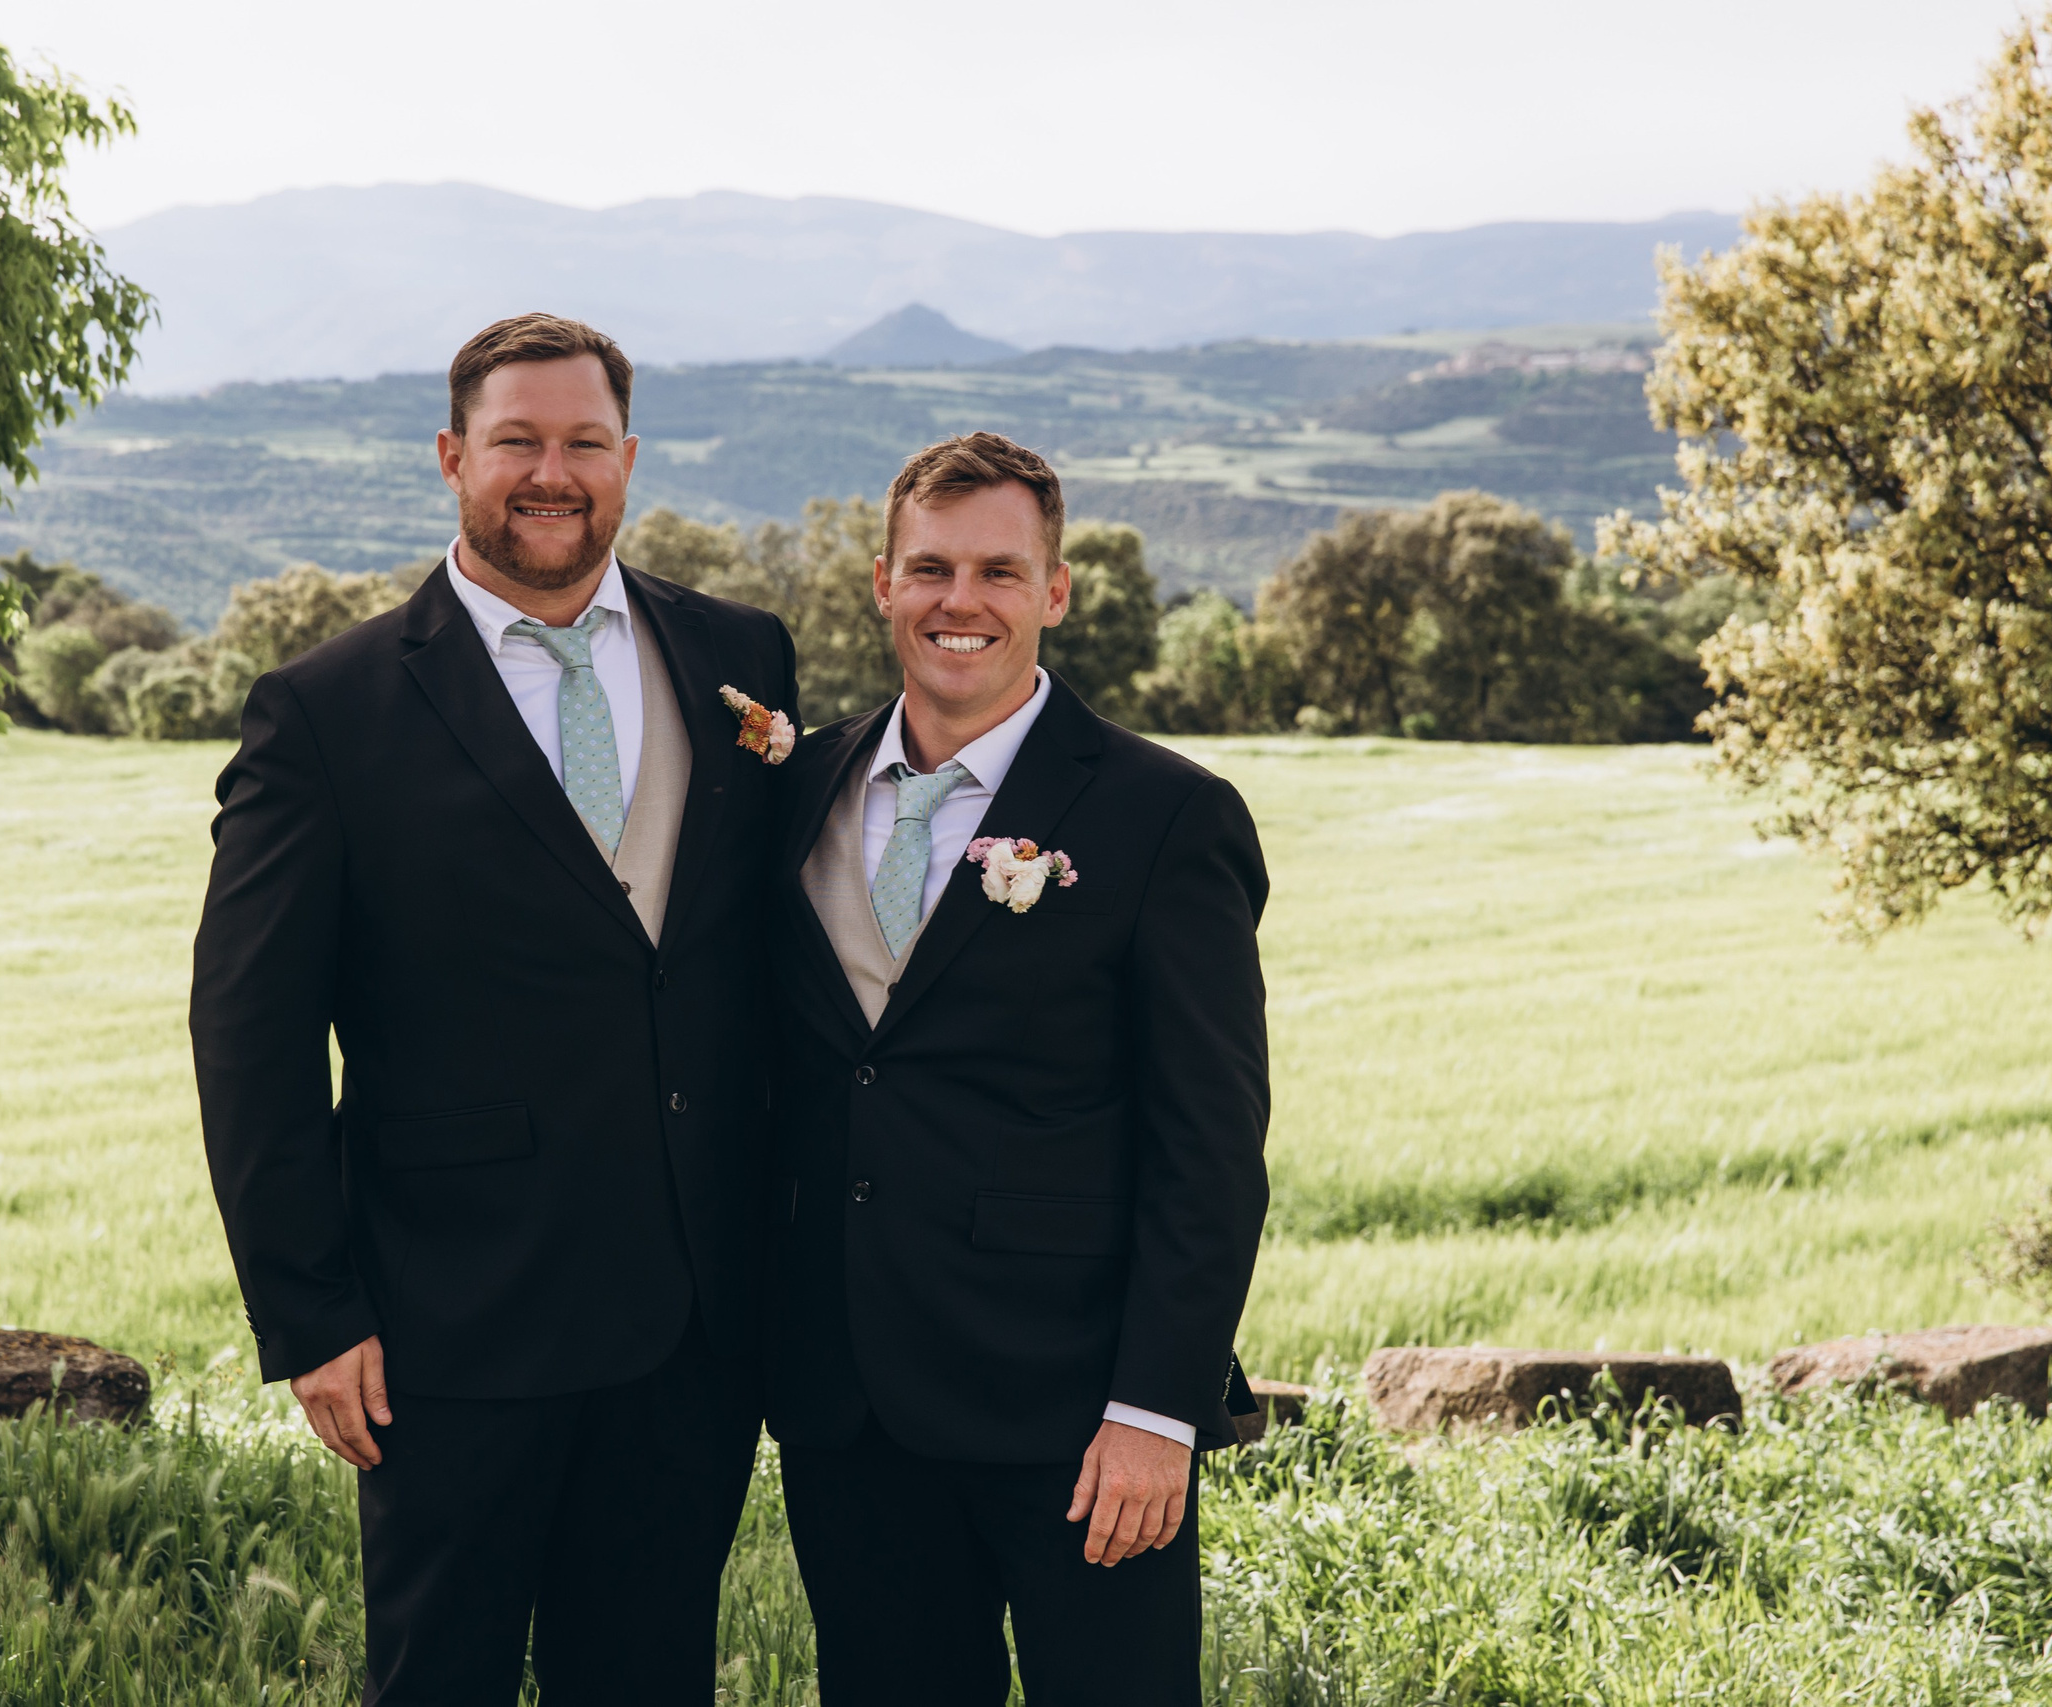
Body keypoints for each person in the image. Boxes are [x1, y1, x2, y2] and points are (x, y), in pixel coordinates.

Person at [189, 312, 799, 1705]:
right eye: (517, 440)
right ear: (453, 455)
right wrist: (310, 1309)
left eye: (584, 441)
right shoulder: (325, 711)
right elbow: (250, 1031)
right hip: (449, 1319)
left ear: (628, 458)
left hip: (695, 1318)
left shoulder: (740, 653)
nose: (552, 472)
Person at [763, 432, 1271, 1705]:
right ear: (882, 584)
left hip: (1079, 1414)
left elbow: (1209, 1147)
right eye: (931, 568)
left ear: (1055, 591)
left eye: (999, 570)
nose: (961, 600)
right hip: (847, 1407)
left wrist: (1156, 1410)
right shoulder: (794, 790)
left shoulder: (1165, 815)